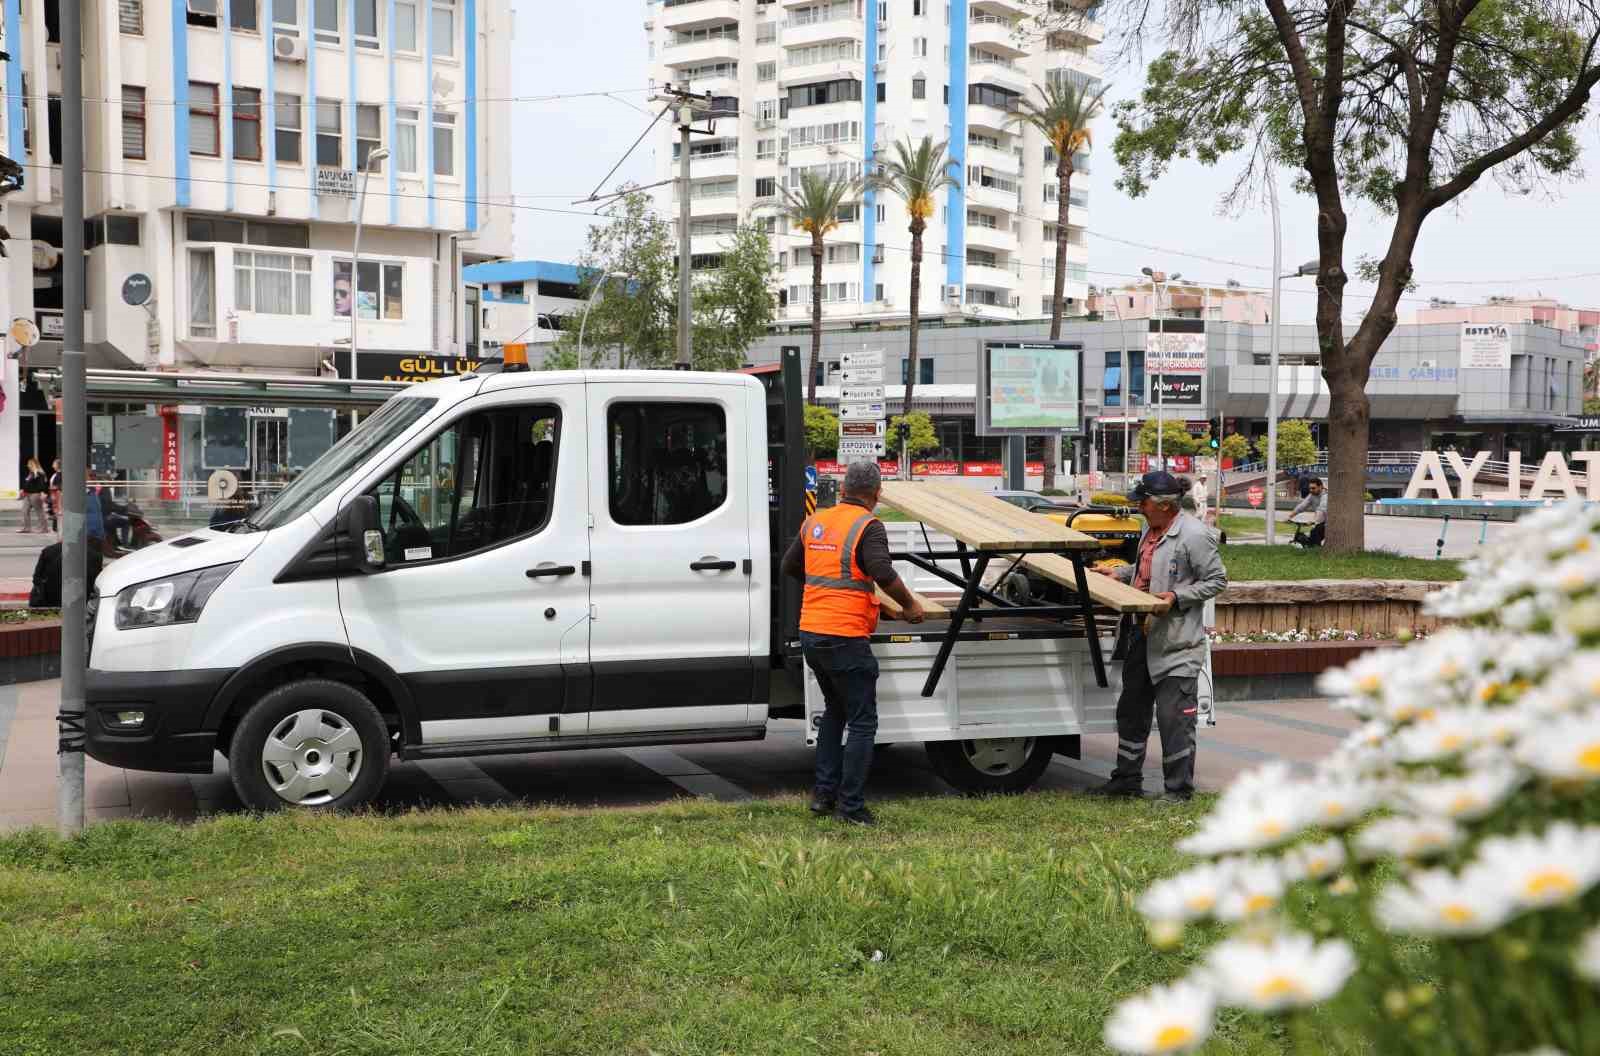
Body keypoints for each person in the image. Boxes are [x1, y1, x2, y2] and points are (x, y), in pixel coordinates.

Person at [782, 461, 925, 826]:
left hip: (812, 631)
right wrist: (909, 605)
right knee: (862, 721)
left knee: (835, 711)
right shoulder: (868, 525)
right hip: (845, 634)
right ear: (877, 494)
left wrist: (824, 586)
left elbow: (790, 565)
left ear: (844, 488)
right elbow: (882, 571)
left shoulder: (817, 521)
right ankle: (851, 807)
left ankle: (823, 796)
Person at [1093, 471, 1228, 803]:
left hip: (1176, 643)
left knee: (1173, 721)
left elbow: (1216, 580)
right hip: (1140, 635)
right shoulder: (1149, 530)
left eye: (1143, 502)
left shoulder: (1195, 535)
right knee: (1131, 711)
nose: (1138, 506)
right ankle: (1126, 781)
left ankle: (1178, 791)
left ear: (1164, 505)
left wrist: (1176, 598)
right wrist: (1120, 573)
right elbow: (1146, 571)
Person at [1291, 477, 1328, 548]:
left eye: (1313, 488)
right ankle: (1315, 549)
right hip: (1322, 522)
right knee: (1313, 534)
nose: (1311, 490)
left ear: (1320, 487)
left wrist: (1313, 521)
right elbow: (1302, 506)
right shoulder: (1312, 495)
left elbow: (1321, 510)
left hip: (1330, 522)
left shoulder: (1325, 496)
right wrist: (1290, 516)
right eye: (1310, 488)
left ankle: (1316, 550)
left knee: (1315, 533)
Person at [19, 458, 48, 533]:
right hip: (27, 494)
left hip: (35, 494)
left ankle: (44, 528)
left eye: (29, 464)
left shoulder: (39, 473)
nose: (27, 465)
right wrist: (23, 490)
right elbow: (27, 484)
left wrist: (42, 492)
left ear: (33, 464)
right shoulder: (30, 473)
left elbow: (42, 484)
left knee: (39, 511)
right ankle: (26, 528)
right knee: (24, 510)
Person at [48, 458, 62, 533]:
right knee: (55, 510)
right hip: (54, 494)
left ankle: (56, 528)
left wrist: (54, 487)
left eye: (54, 464)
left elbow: (60, 486)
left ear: (58, 465)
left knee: (57, 510)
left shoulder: (60, 474)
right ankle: (55, 528)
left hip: (57, 495)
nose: (52, 465)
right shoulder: (55, 474)